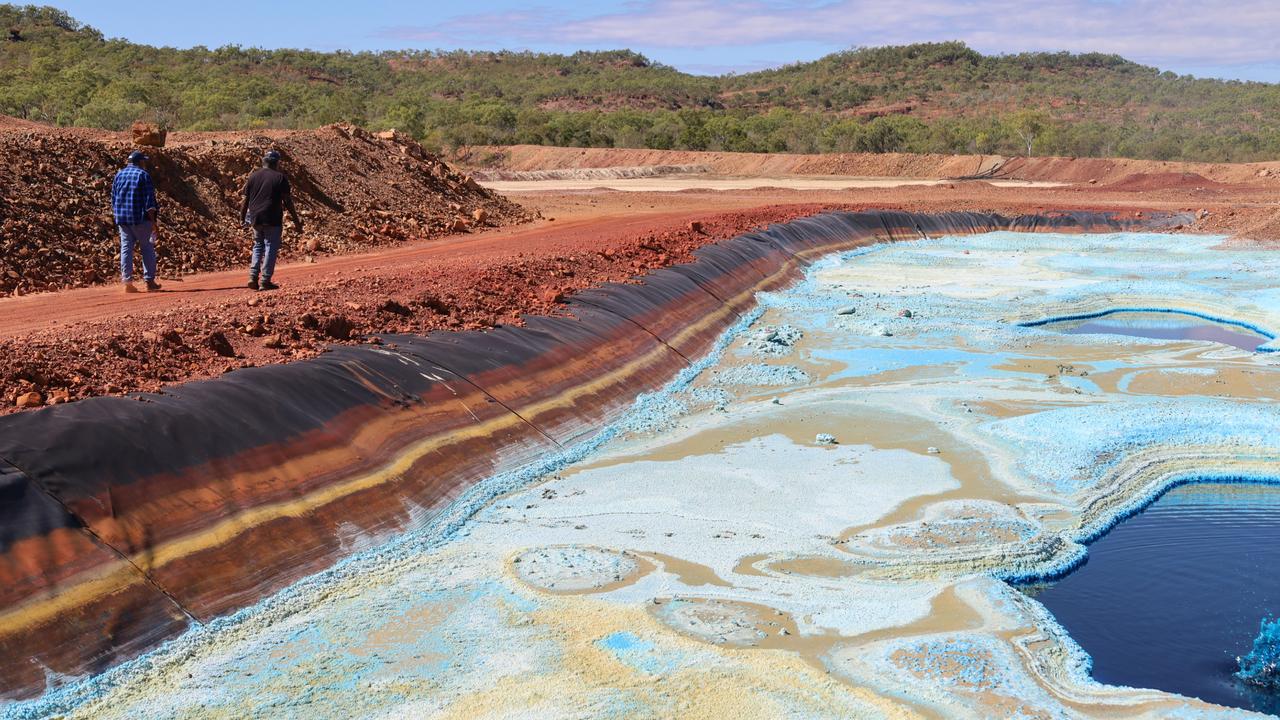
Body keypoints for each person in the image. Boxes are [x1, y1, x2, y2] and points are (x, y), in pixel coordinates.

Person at [239, 150, 303, 291]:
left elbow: (245, 200)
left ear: (263, 162)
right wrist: (296, 220)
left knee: (258, 246)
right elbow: (287, 201)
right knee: (270, 247)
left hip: (255, 218)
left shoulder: (253, 177)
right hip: (272, 218)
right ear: (276, 163)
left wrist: (242, 217)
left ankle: (253, 276)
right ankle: (265, 280)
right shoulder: (280, 178)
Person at [111, 150, 161, 293]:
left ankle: (127, 282)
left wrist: (117, 215)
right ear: (140, 162)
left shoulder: (119, 175)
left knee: (126, 248)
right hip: (140, 219)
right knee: (147, 248)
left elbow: (113, 198)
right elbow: (149, 202)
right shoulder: (143, 175)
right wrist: (153, 222)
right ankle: (149, 281)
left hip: (123, 219)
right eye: (143, 161)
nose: (144, 163)